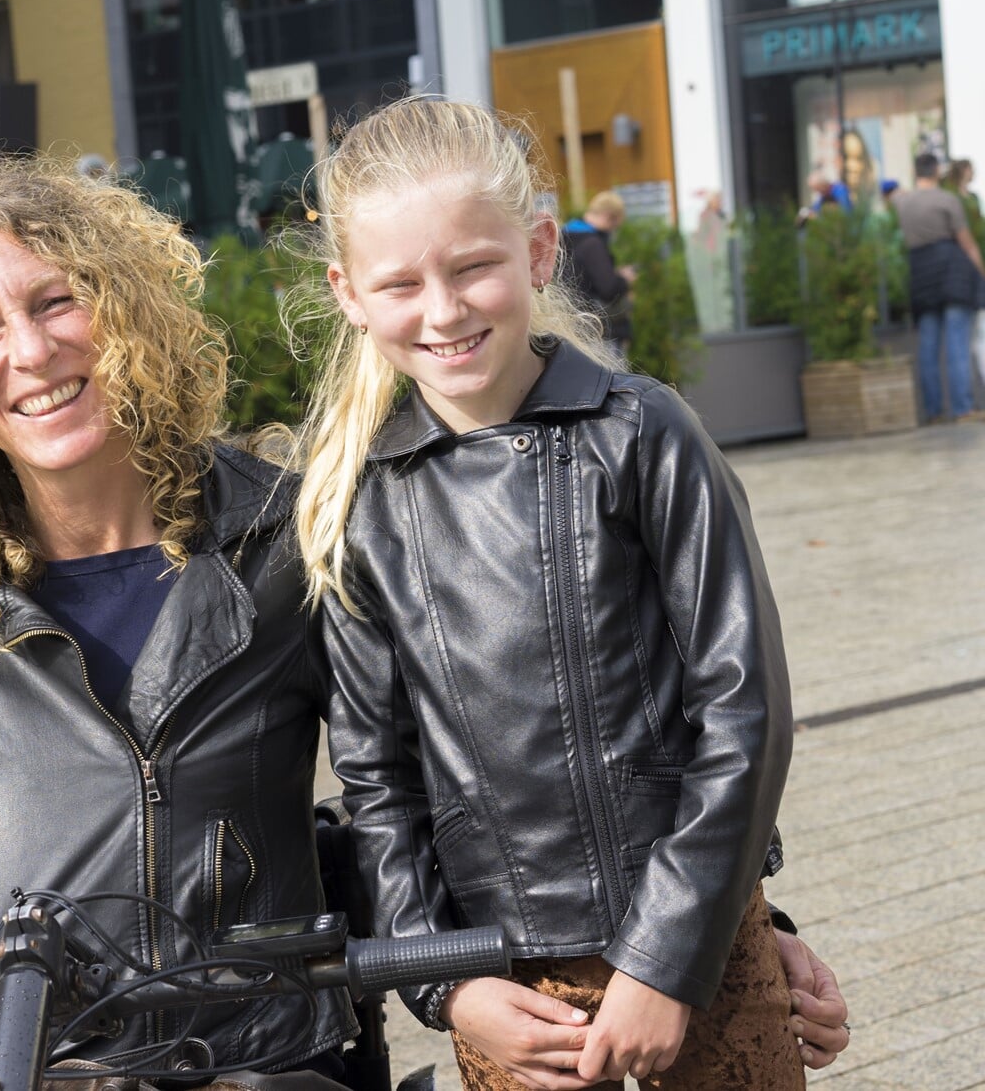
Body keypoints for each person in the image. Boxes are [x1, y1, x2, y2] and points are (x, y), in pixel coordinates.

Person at [295, 97, 813, 1090]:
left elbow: (745, 708)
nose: (443, 310)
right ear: (349, 293)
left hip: (694, 948)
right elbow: (375, 780)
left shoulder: (645, 434)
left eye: (472, 266)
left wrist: (668, 958)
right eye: (401, 281)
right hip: (509, 984)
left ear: (536, 248)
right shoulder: (359, 506)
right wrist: (444, 985)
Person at [0, 157, 355, 1084]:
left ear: (124, 310)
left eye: (55, 302)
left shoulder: (285, 540)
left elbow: (397, 790)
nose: (29, 353)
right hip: (41, 1070)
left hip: (271, 1066)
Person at [893, 153, 985, 423]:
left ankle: (934, 410)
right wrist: (982, 276)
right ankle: (963, 408)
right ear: (936, 170)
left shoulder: (903, 202)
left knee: (928, 345)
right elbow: (967, 243)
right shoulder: (947, 200)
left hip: (921, 274)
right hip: (952, 272)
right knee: (957, 342)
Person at [562, 190, 635, 358]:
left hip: (571, 329)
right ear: (610, 217)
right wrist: (624, 279)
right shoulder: (592, 244)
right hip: (598, 332)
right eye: (616, 225)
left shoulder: (565, 236)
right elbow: (608, 288)